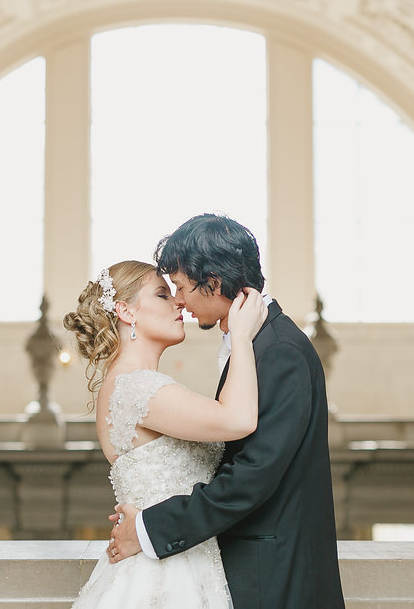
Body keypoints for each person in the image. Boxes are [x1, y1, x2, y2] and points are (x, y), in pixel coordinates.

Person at [107, 214, 346, 608]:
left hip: (273, 576)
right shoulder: (260, 341)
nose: (179, 300)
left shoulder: (280, 351)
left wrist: (149, 528)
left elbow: (251, 476)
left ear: (213, 281)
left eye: (180, 287)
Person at [63, 259, 268, 608]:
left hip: (174, 557)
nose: (178, 303)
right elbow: (238, 419)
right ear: (126, 311)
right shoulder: (137, 387)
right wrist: (242, 336)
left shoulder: (129, 383)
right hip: (166, 574)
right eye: (162, 294)